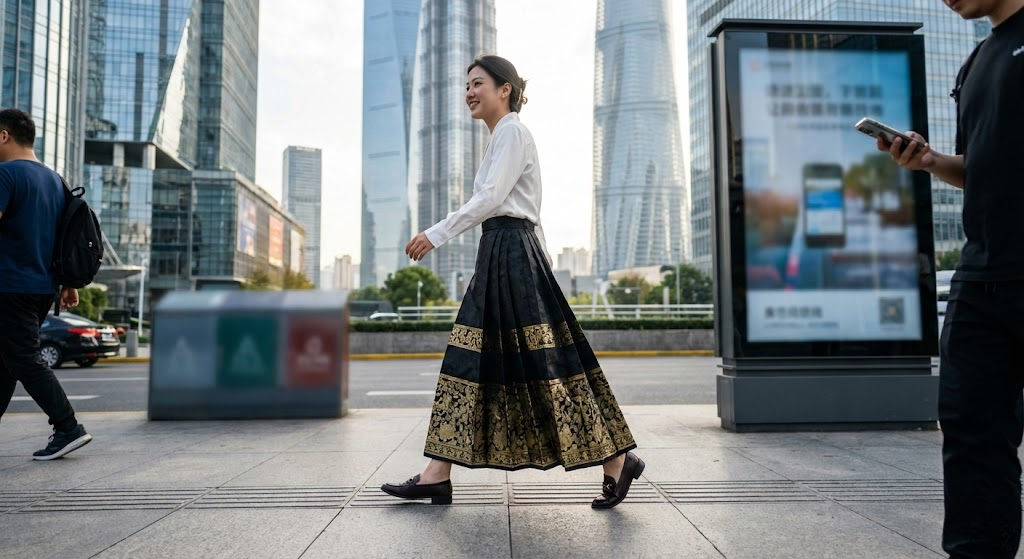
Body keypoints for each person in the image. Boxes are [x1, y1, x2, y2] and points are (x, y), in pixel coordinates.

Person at [382, 55, 644, 508]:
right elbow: (520, 208)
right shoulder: (502, 137)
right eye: (466, 85)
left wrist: (435, 234)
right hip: (504, 253)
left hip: (511, 255)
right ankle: (437, 473)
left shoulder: (512, 133)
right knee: (474, 359)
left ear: (505, 89)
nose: (469, 92)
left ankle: (618, 460)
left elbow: (492, 198)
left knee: (546, 364)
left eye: (477, 83)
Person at [881, 0, 1024, 556]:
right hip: (981, 274)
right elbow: (979, 166)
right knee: (970, 436)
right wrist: (930, 161)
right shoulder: (976, 60)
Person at [0, 108, 93, 460]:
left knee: (23, 359)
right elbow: (64, 239)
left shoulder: (5, 175)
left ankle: (68, 426)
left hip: (9, 284)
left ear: (4, 135)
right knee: (6, 361)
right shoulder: (56, 181)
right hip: (42, 288)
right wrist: (69, 284)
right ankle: (67, 427)